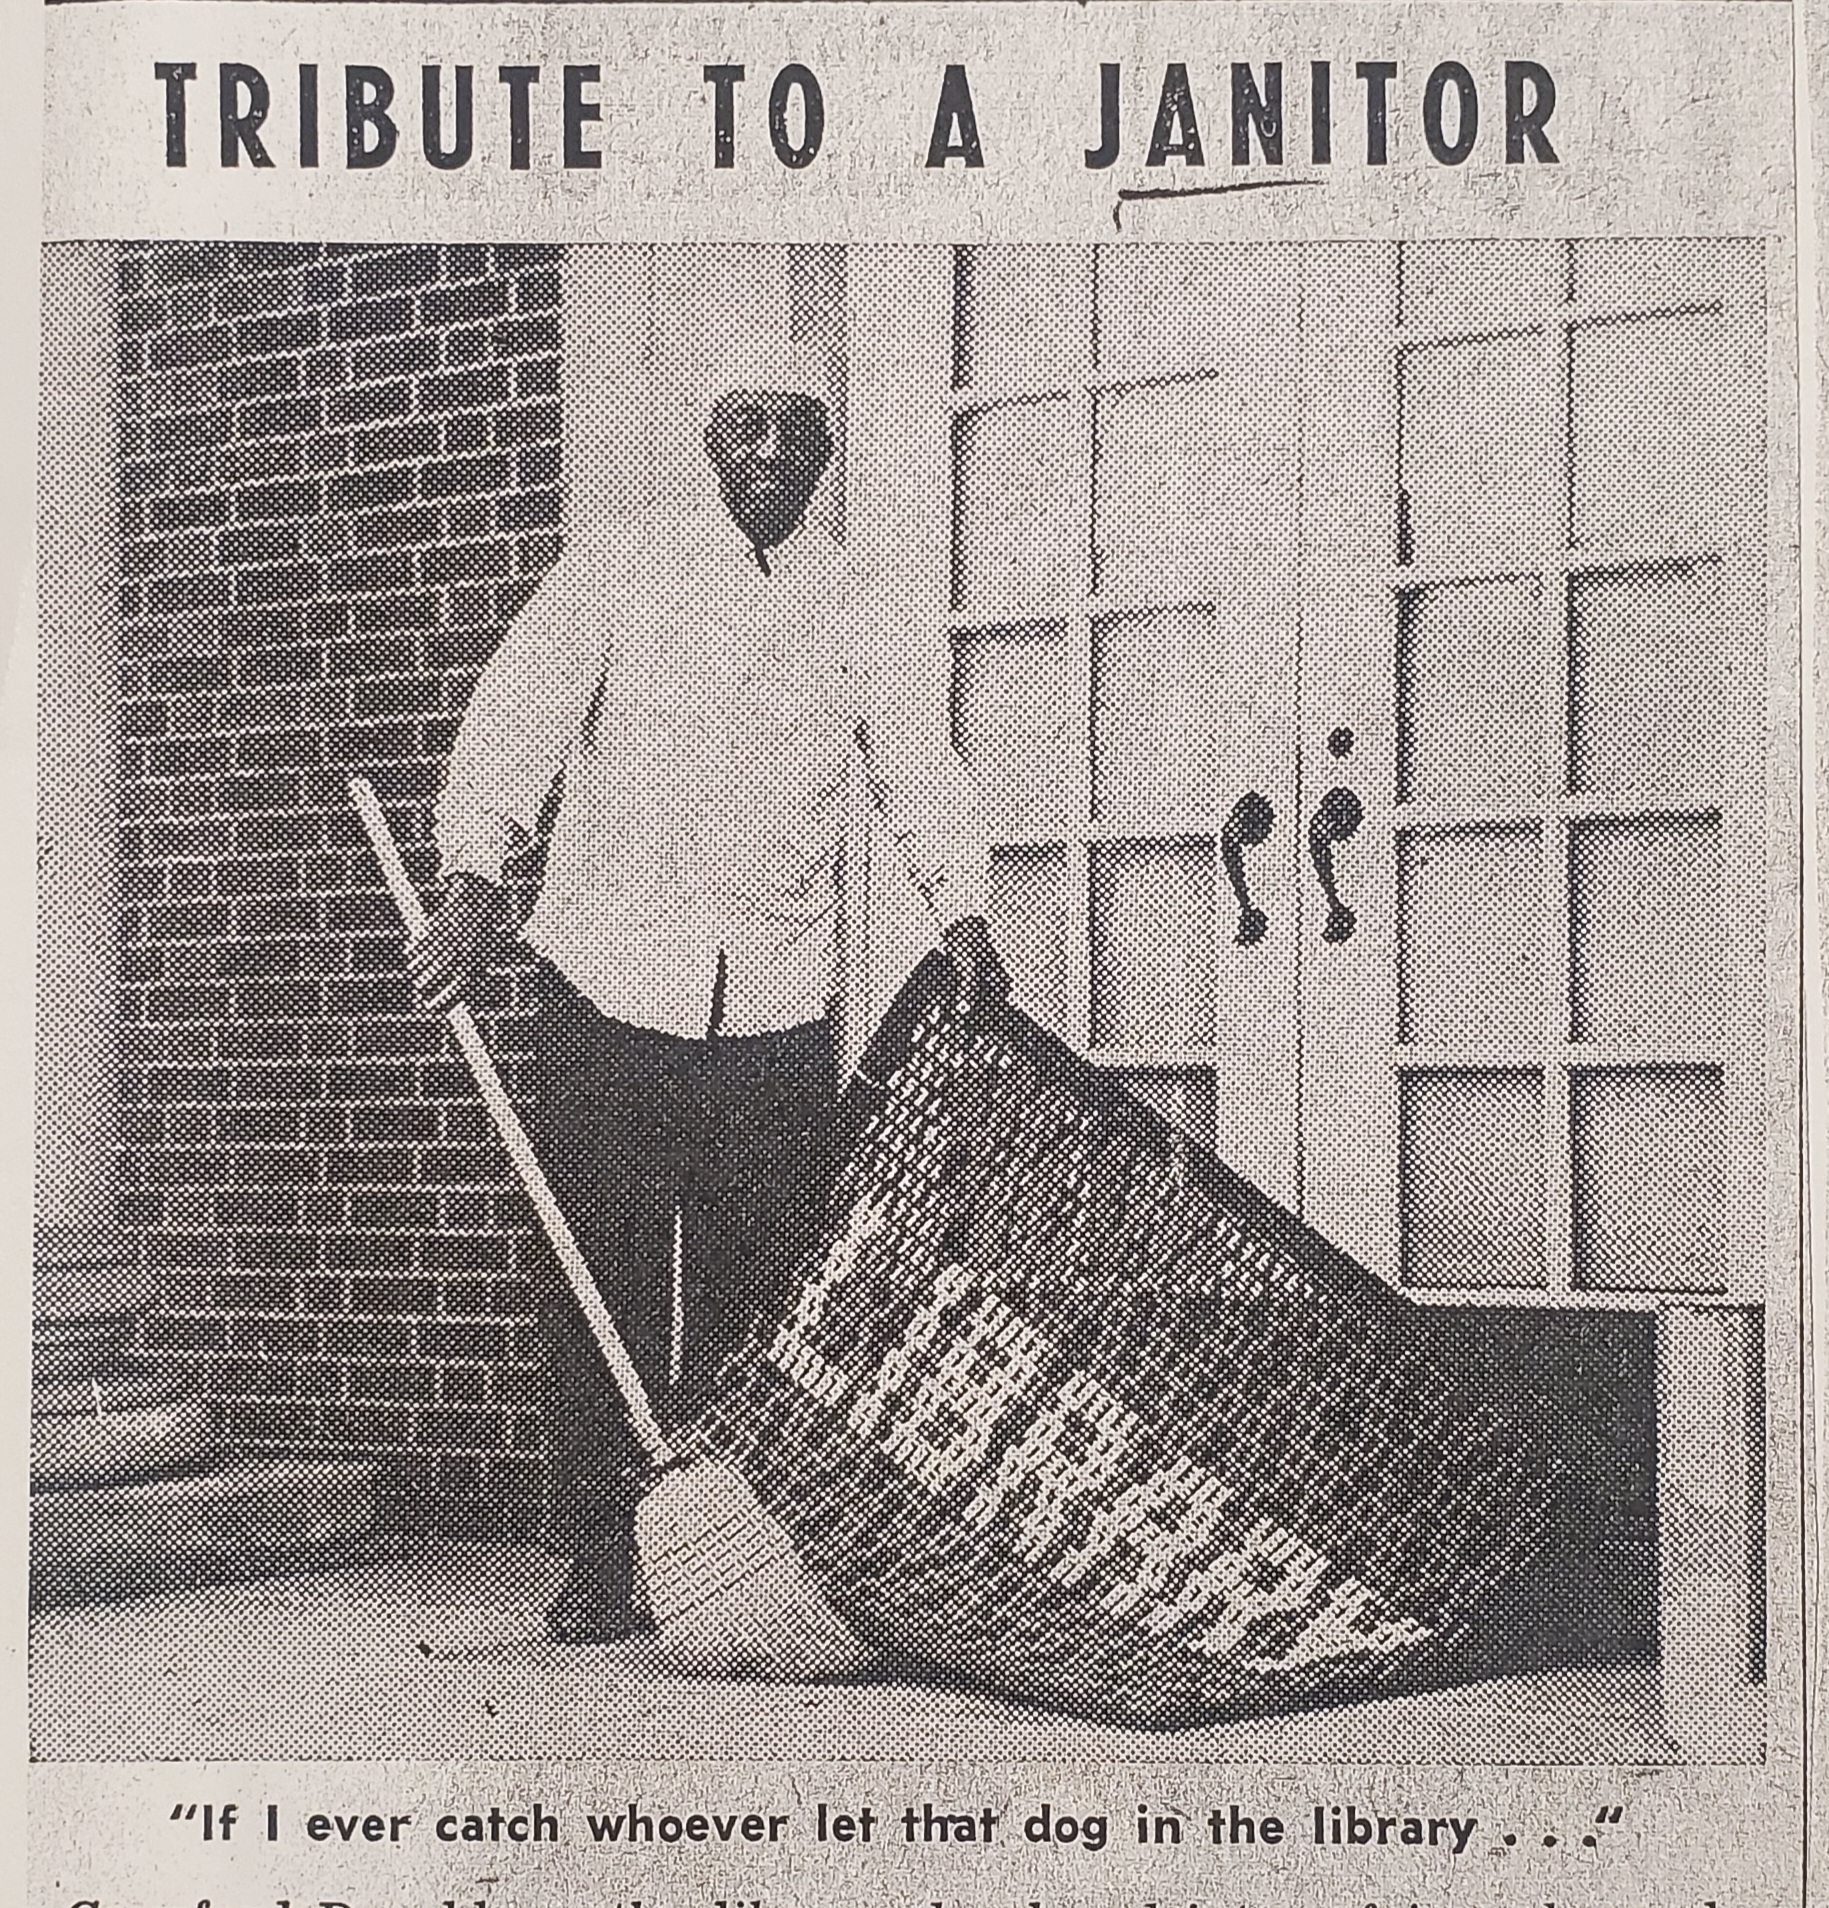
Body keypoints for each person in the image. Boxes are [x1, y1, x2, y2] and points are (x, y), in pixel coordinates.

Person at [408, 370, 1007, 1642]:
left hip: (777, 1000)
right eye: (748, 425)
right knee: (598, 1280)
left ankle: (726, 1557)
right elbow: (515, 721)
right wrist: (471, 876)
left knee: (748, 1292)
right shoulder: (620, 569)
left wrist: (959, 913)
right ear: (707, 435)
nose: (776, 452)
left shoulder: (863, 600)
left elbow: (917, 763)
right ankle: (601, 1549)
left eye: (802, 431)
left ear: (830, 449)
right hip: (606, 985)